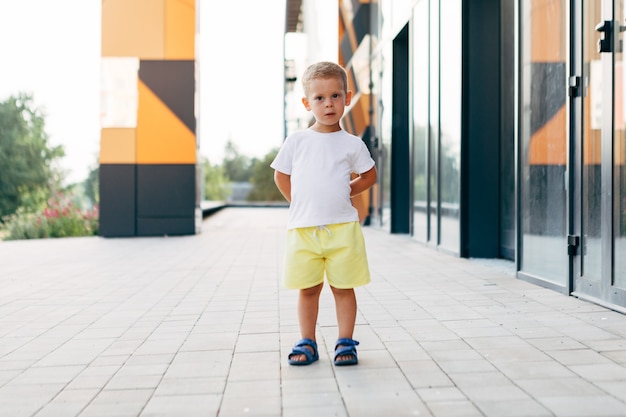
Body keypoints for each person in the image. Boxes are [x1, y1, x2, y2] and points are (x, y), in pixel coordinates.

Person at [271, 61, 377, 366]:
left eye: (335, 96)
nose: (328, 103)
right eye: (319, 98)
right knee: (308, 289)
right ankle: (308, 341)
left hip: (343, 229)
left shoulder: (352, 144)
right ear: (307, 103)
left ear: (347, 97)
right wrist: (298, 201)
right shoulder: (297, 142)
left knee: (344, 288)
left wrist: (347, 191)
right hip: (304, 230)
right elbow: (281, 176)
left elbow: (369, 177)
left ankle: (345, 341)